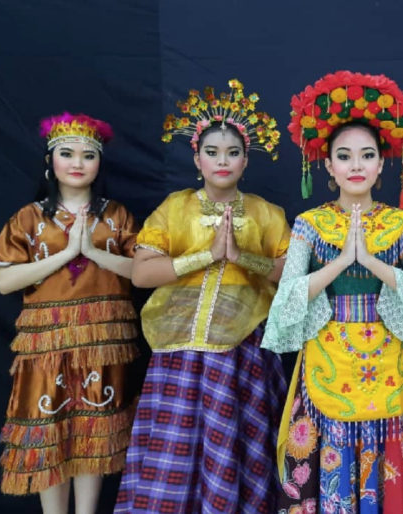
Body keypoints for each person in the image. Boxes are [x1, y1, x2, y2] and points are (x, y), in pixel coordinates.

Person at [261, 70, 403, 513]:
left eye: (367, 156)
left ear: (382, 164)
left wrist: (374, 263)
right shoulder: (310, 223)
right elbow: (287, 300)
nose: (357, 166)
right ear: (328, 166)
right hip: (326, 355)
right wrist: (341, 263)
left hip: (385, 354)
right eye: (344, 157)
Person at [114, 79, 290, 513]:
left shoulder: (267, 214)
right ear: (197, 158)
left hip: (241, 351)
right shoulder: (175, 208)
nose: (222, 160)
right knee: (173, 456)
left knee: (234, 449)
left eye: (232, 152)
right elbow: (141, 273)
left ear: (246, 160)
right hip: (179, 352)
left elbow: (290, 275)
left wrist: (242, 257)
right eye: (212, 152)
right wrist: (205, 257)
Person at [0, 113, 139, 514]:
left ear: (99, 163)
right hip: (46, 341)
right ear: (50, 161)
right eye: (67, 153)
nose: (77, 162)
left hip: (102, 342)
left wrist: (92, 252)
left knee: (93, 429)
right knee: (50, 430)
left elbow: (141, 274)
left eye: (88, 155)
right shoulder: (29, 218)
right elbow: (5, 283)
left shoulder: (116, 217)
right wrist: (65, 254)